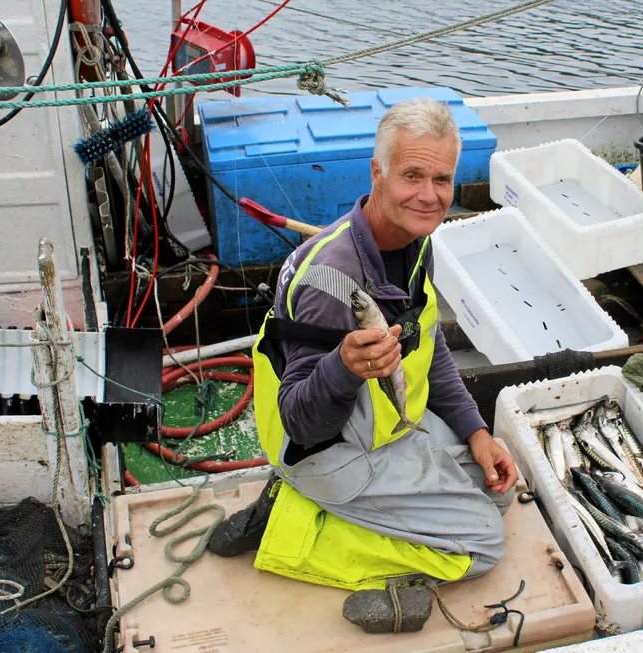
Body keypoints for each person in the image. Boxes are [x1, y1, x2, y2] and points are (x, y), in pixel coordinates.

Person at [209, 97, 519, 633]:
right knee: (486, 543)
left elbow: (429, 347)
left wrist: (476, 431)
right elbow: (301, 423)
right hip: (322, 448)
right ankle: (297, 531)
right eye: (412, 175)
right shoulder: (330, 282)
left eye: (442, 179)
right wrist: (344, 368)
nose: (429, 195)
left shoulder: (415, 240)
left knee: (503, 490)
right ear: (377, 173)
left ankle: (318, 507)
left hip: (386, 423)